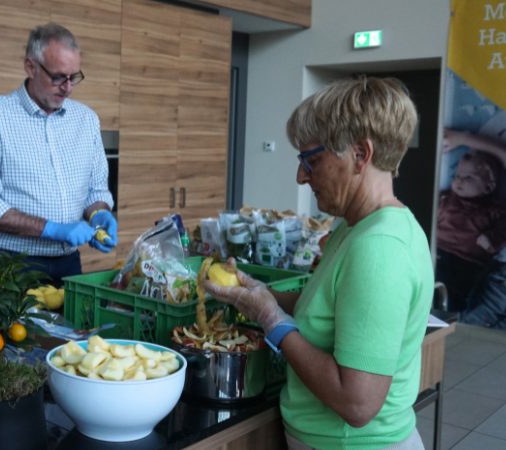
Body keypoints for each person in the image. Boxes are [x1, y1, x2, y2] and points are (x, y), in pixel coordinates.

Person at [205, 78, 432, 450]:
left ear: (360, 154)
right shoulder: (357, 227)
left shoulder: (378, 248)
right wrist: (259, 295)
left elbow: (357, 403)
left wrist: (271, 322)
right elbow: (327, 308)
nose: (301, 175)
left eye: (312, 160)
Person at [0, 23, 116, 283]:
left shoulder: (87, 120)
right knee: (15, 327)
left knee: (72, 325)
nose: (68, 88)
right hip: (8, 261)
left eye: (74, 77)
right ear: (30, 67)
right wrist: (50, 229)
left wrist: (99, 213)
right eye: (58, 77)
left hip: (68, 262)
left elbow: (96, 191)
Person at [436, 147, 506, 311]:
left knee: (453, 298)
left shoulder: (495, 209)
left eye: (468, 177)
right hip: (436, 253)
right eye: (457, 176)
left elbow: (504, 229)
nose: (459, 180)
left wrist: (492, 239)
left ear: (488, 188)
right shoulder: (445, 199)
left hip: (466, 264)